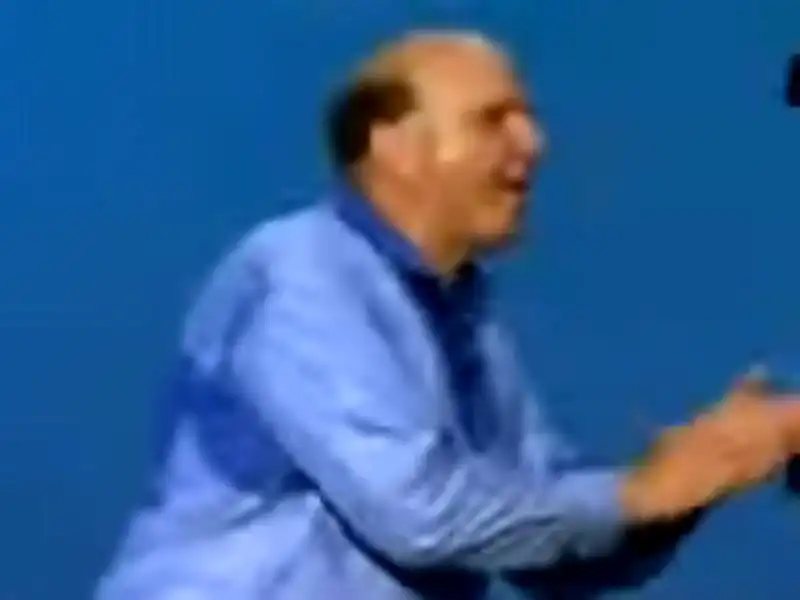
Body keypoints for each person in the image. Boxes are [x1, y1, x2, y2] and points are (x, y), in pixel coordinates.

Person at [95, 30, 800, 600]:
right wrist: (644, 491)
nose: (533, 143)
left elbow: (543, 550)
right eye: (494, 119)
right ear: (394, 146)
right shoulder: (301, 271)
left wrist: (702, 472)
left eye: (529, 118)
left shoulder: (468, 320)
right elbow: (421, 518)